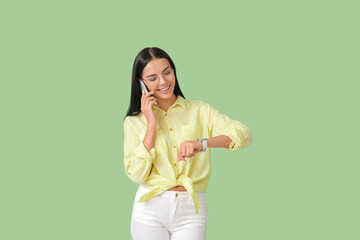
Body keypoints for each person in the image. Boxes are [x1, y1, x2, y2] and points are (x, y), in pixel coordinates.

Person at [123, 47, 253, 240]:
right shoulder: (134, 122)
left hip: (191, 210)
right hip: (150, 209)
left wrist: (202, 144)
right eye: (153, 78)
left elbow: (244, 133)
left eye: (167, 72)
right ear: (141, 83)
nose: (163, 81)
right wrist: (151, 124)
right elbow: (137, 174)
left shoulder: (200, 110)